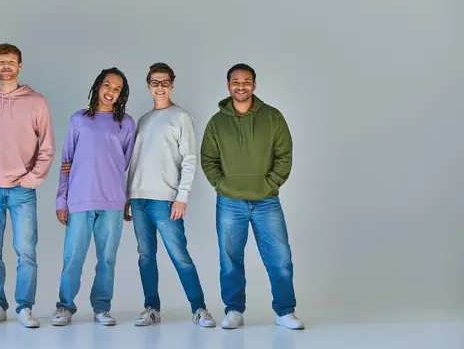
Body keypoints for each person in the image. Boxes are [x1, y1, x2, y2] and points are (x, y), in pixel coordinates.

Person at [200, 63, 305, 330]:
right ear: (228, 86)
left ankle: (285, 312)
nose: (241, 86)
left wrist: (269, 184)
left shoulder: (273, 117)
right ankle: (234, 310)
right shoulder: (217, 122)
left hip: (266, 200)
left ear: (254, 85)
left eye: (247, 81)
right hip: (229, 202)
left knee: (279, 258)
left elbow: (284, 156)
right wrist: (222, 185)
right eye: (236, 81)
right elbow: (208, 160)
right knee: (230, 259)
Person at [0, 43, 55, 328]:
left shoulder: (36, 102)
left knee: (26, 250)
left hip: (22, 190)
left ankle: (25, 308)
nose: (6, 66)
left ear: (20, 66)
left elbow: (48, 147)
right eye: (1, 62)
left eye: (12, 62)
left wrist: (32, 179)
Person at [123, 63, 216, 327]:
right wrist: (128, 196)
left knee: (179, 255)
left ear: (172, 84)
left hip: (165, 200)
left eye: (165, 82)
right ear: (148, 85)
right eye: (155, 82)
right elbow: (136, 160)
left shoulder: (180, 117)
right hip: (139, 199)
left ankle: (199, 309)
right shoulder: (143, 120)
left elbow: (189, 159)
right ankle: (151, 307)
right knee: (145, 256)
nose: (160, 87)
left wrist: (182, 197)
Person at [52, 67, 136, 327]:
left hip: (112, 201)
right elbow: (66, 161)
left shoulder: (126, 123)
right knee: (73, 257)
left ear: (121, 94)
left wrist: (126, 200)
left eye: (117, 89)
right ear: (98, 85)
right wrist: (61, 200)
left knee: (107, 258)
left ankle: (101, 307)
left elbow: (127, 165)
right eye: (107, 85)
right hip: (79, 200)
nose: (111, 91)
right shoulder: (78, 120)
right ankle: (65, 306)